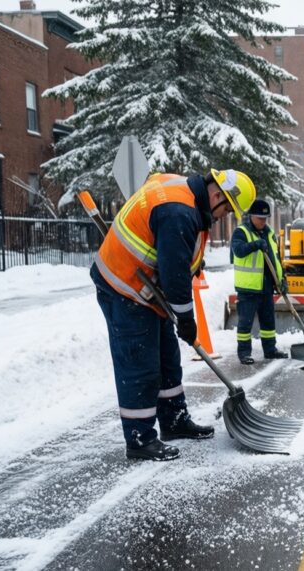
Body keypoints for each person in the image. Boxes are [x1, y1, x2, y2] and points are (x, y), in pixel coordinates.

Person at [92, 168, 256, 461]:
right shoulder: (178, 211)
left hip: (147, 288)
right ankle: (140, 438)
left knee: (167, 357)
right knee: (140, 363)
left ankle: (174, 420)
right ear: (217, 194)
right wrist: (187, 318)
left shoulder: (184, 193)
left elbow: (174, 246)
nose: (223, 216)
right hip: (124, 287)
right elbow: (174, 275)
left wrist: (193, 259)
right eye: (227, 209)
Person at [231, 198, 288, 364]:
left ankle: (270, 350)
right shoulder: (241, 232)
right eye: (260, 219)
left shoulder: (269, 233)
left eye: (265, 219)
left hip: (266, 286)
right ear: (251, 217)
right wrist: (255, 245)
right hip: (248, 287)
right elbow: (238, 251)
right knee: (245, 323)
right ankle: (244, 353)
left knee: (268, 321)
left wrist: (281, 279)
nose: (263, 222)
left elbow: (275, 258)